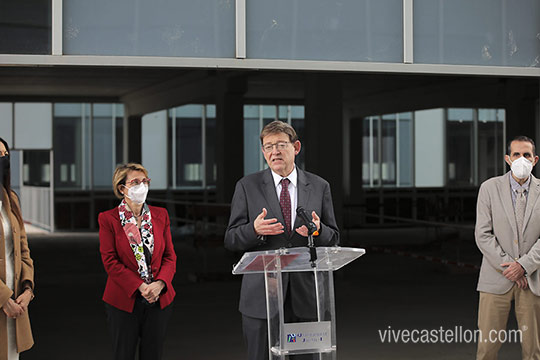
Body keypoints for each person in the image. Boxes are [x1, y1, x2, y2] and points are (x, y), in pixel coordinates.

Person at [224, 121, 339, 360]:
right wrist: (254, 230)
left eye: (280, 145)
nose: (274, 151)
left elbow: (334, 237)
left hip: (306, 299)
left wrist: (317, 231)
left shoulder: (319, 186)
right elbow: (231, 239)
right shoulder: (247, 186)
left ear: (296, 147)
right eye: (268, 147)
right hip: (261, 299)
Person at [98, 163, 177, 360]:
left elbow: (170, 256)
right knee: (123, 354)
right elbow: (110, 261)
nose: (141, 186)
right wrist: (140, 287)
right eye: (135, 182)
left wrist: (160, 284)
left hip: (159, 298)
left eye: (145, 181)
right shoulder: (108, 219)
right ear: (121, 188)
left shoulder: (160, 215)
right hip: (124, 300)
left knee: (153, 354)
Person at [475, 135, 540, 359]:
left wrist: (524, 266)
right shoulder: (489, 188)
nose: (522, 159)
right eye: (516, 155)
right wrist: (511, 268)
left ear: (535, 160)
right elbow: (482, 234)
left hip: (533, 280)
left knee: (533, 351)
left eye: (527, 155)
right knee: (487, 349)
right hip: (495, 279)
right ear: (507, 159)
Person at [0, 138, 35, 360]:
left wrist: (28, 289)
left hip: (16, 304)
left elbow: (23, 250)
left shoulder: (10, 198)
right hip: (5, 301)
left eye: (4, 154)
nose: (2, 159)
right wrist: (4, 298)